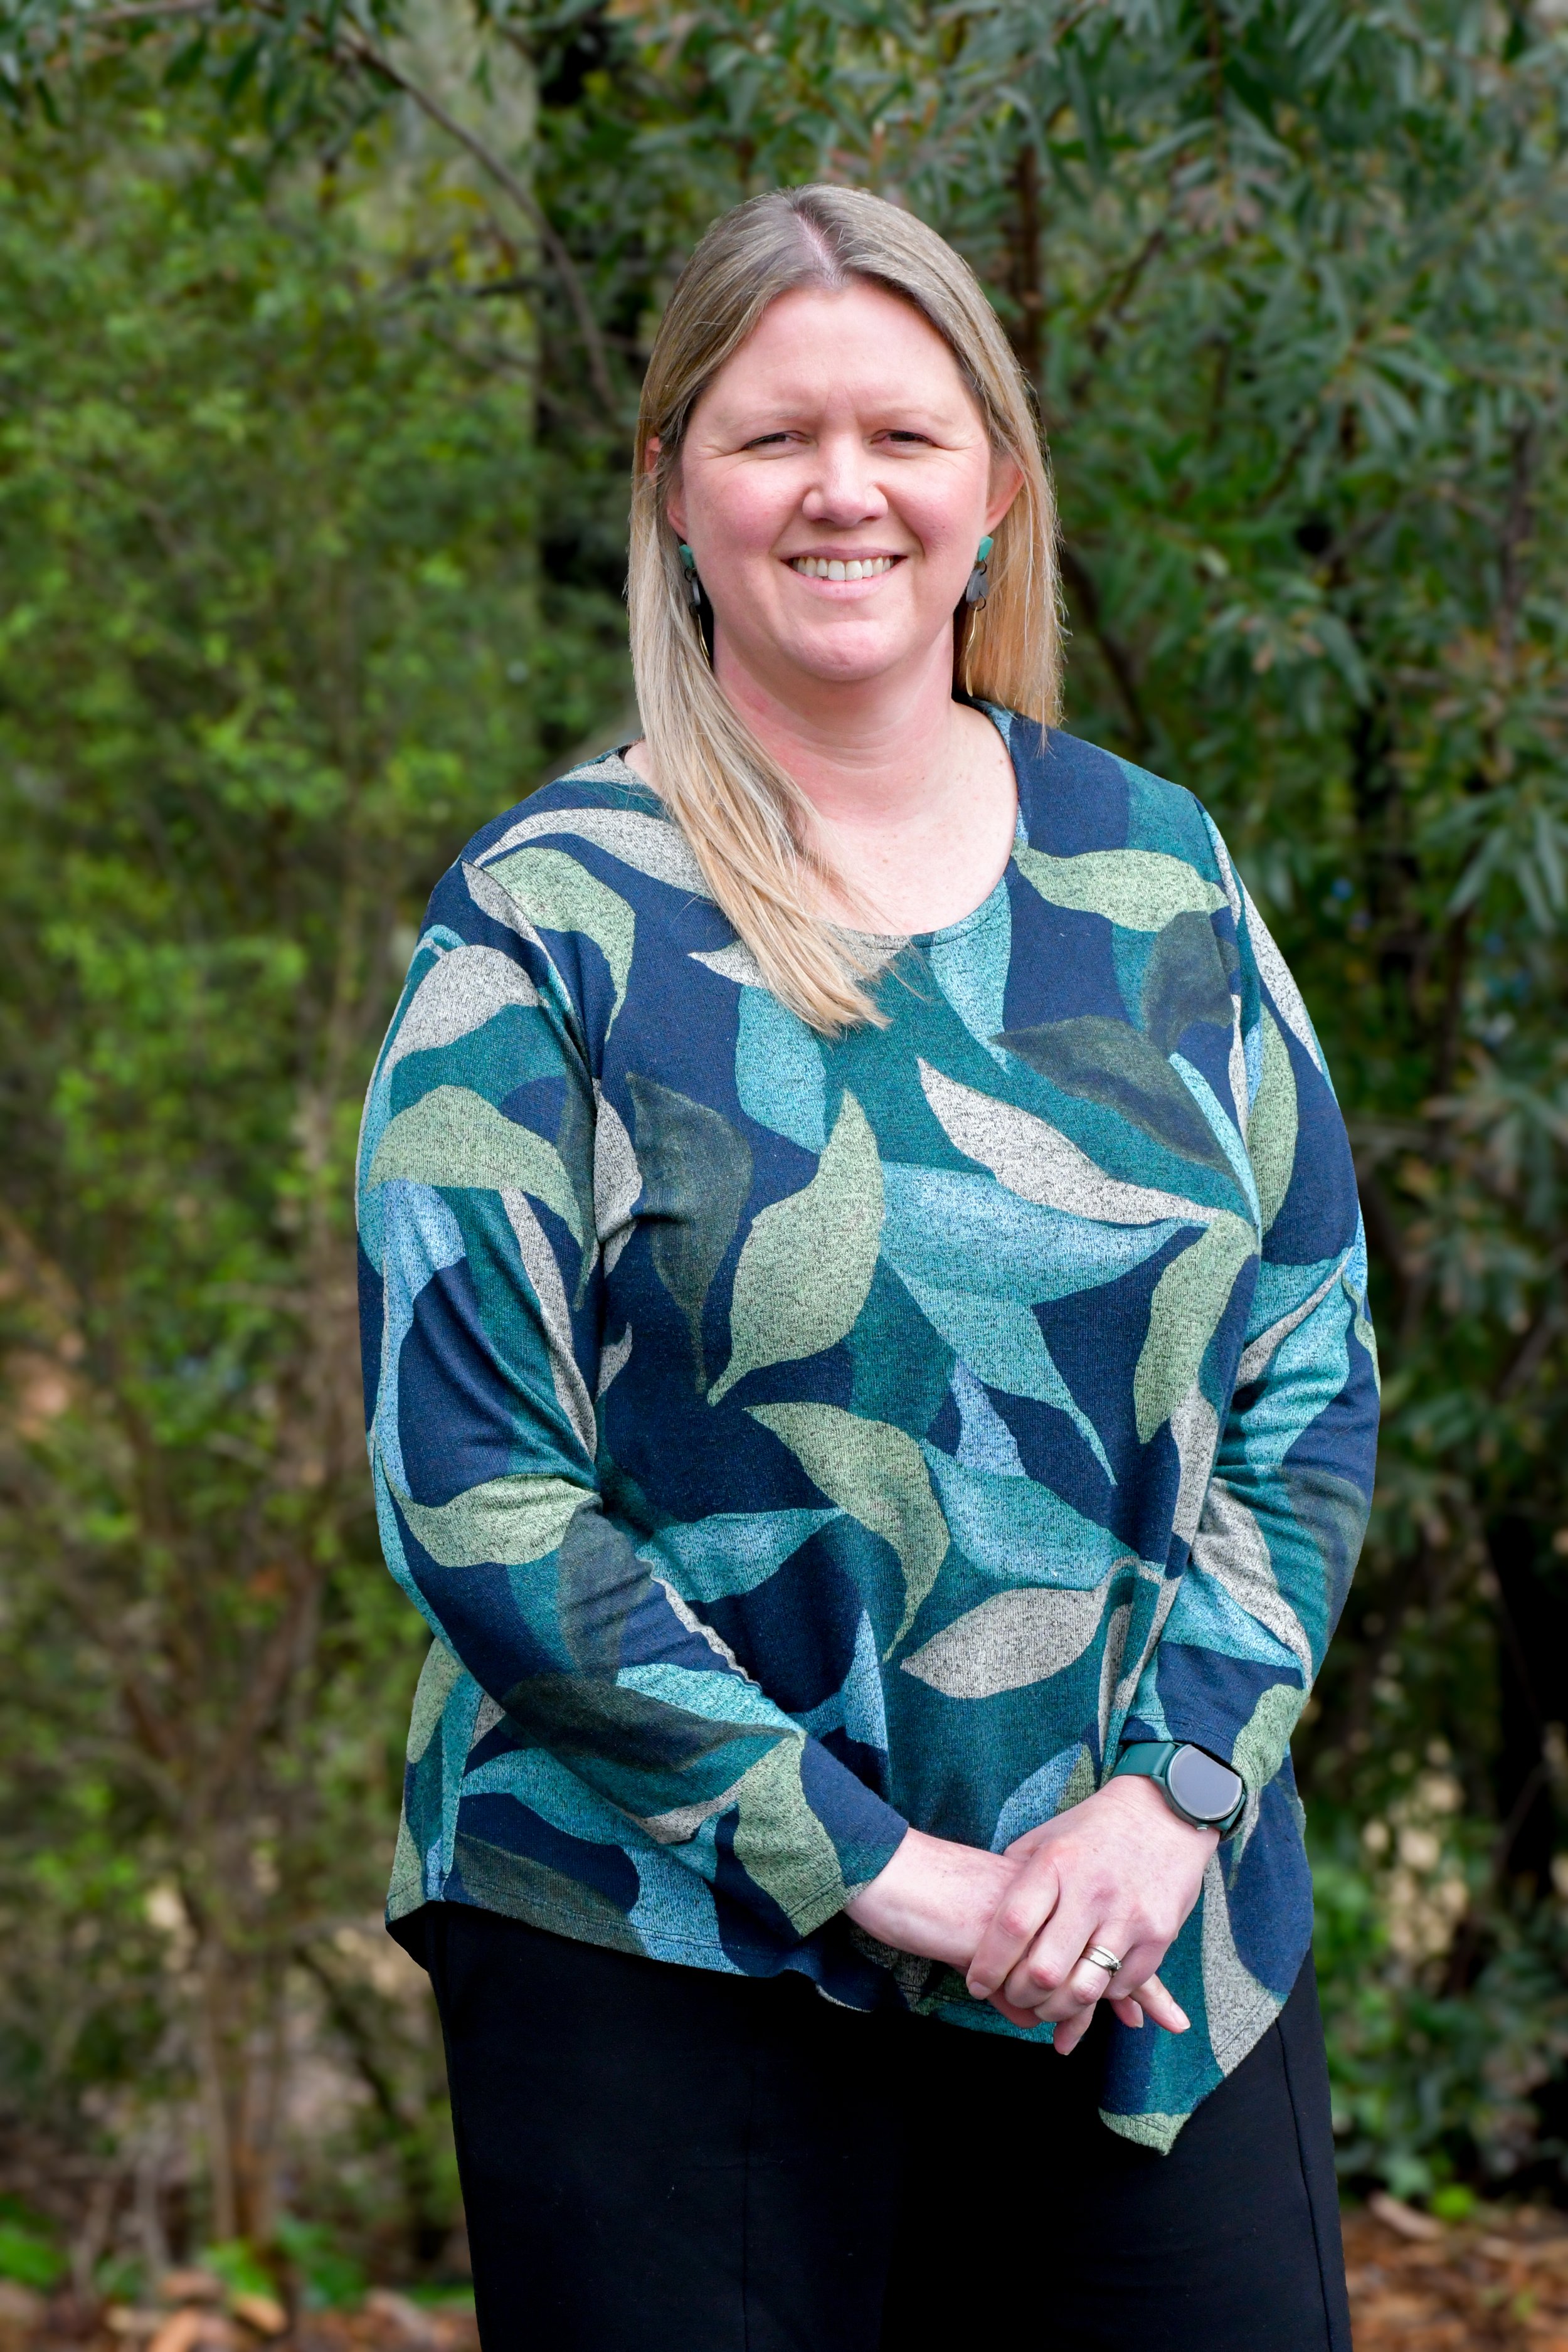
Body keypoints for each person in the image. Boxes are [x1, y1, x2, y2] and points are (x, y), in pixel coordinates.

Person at [356, 183, 1378, 2352]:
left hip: (1139, 1937)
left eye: (904, 436)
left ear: (992, 487)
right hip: (660, 1942)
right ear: (672, 493)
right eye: (771, 437)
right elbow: (473, 1484)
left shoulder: (1159, 873)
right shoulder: (544, 922)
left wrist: (1170, 1796)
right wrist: (875, 1866)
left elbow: (1307, 1373)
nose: (845, 492)